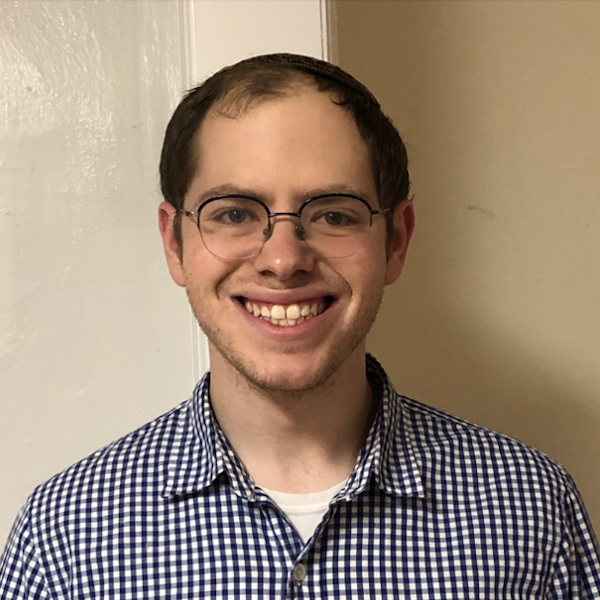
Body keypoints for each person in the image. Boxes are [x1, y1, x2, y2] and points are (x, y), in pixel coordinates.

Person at [1, 53, 599, 599]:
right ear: (174, 242)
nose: (283, 259)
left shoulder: (533, 509)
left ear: (396, 240)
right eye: (234, 213)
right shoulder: (64, 540)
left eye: (334, 214)